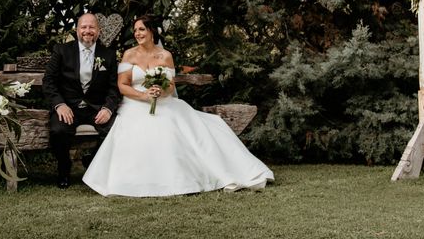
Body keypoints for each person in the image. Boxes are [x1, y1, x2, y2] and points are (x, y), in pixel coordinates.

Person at [83, 14, 274, 197]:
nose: (137, 34)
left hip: (165, 103)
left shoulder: (165, 56)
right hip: (135, 103)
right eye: (135, 30)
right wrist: (144, 95)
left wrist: (161, 91)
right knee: (147, 129)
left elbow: (171, 85)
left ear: (152, 31)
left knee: (191, 128)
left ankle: (204, 174)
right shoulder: (129, 54)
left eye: (141, 29)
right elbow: (122, 86)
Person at [42, 13, 121, 189]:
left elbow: (114, 87)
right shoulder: (62, 50)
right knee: (58, 131)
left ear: (98, 31)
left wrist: (108, 108)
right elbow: (48, 81)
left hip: (96, 108)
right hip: (68, 107)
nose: (87, 31)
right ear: (77, 30)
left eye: (92, 27)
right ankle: (64, 167)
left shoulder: (107, 55)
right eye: (83, 27)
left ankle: (92, 161)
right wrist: (59, 105)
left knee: (116, 129)